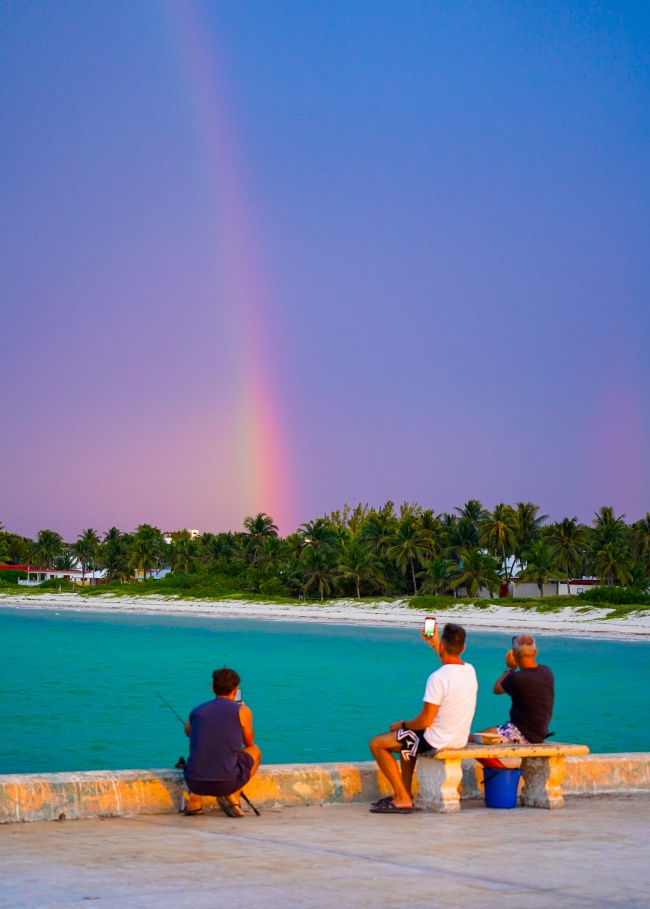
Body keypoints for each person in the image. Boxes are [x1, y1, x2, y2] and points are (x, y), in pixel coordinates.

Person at [368, 622, 478, 814]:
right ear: (463, 648)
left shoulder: (437, 678)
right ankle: (404, 793)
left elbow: (425, 721)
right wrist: (435, 644)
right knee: (407, 739)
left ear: (443, 646)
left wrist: (401, 724)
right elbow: (449, 665)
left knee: (378, 743)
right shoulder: (470, 670)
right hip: (457, 738)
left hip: (436, 740)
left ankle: (402, 798)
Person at [183, 667, 262, 818]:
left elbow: (188, 732)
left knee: (202, 750)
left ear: (213, 688)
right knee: (255, 750)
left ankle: (194, 803)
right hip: (226, 783)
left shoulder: (197, 711)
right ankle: (234, 795)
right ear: (236, 689)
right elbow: (249, 741)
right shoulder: (243, 711)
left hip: (194, 782)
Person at [475, 634, 554, 744]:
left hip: (521, 733)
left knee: (473, 739)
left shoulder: (516, 677)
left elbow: (496, 689)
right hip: (538, 734)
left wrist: (510, 669)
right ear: (535, 652)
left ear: (513, 654)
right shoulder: (547, 671)